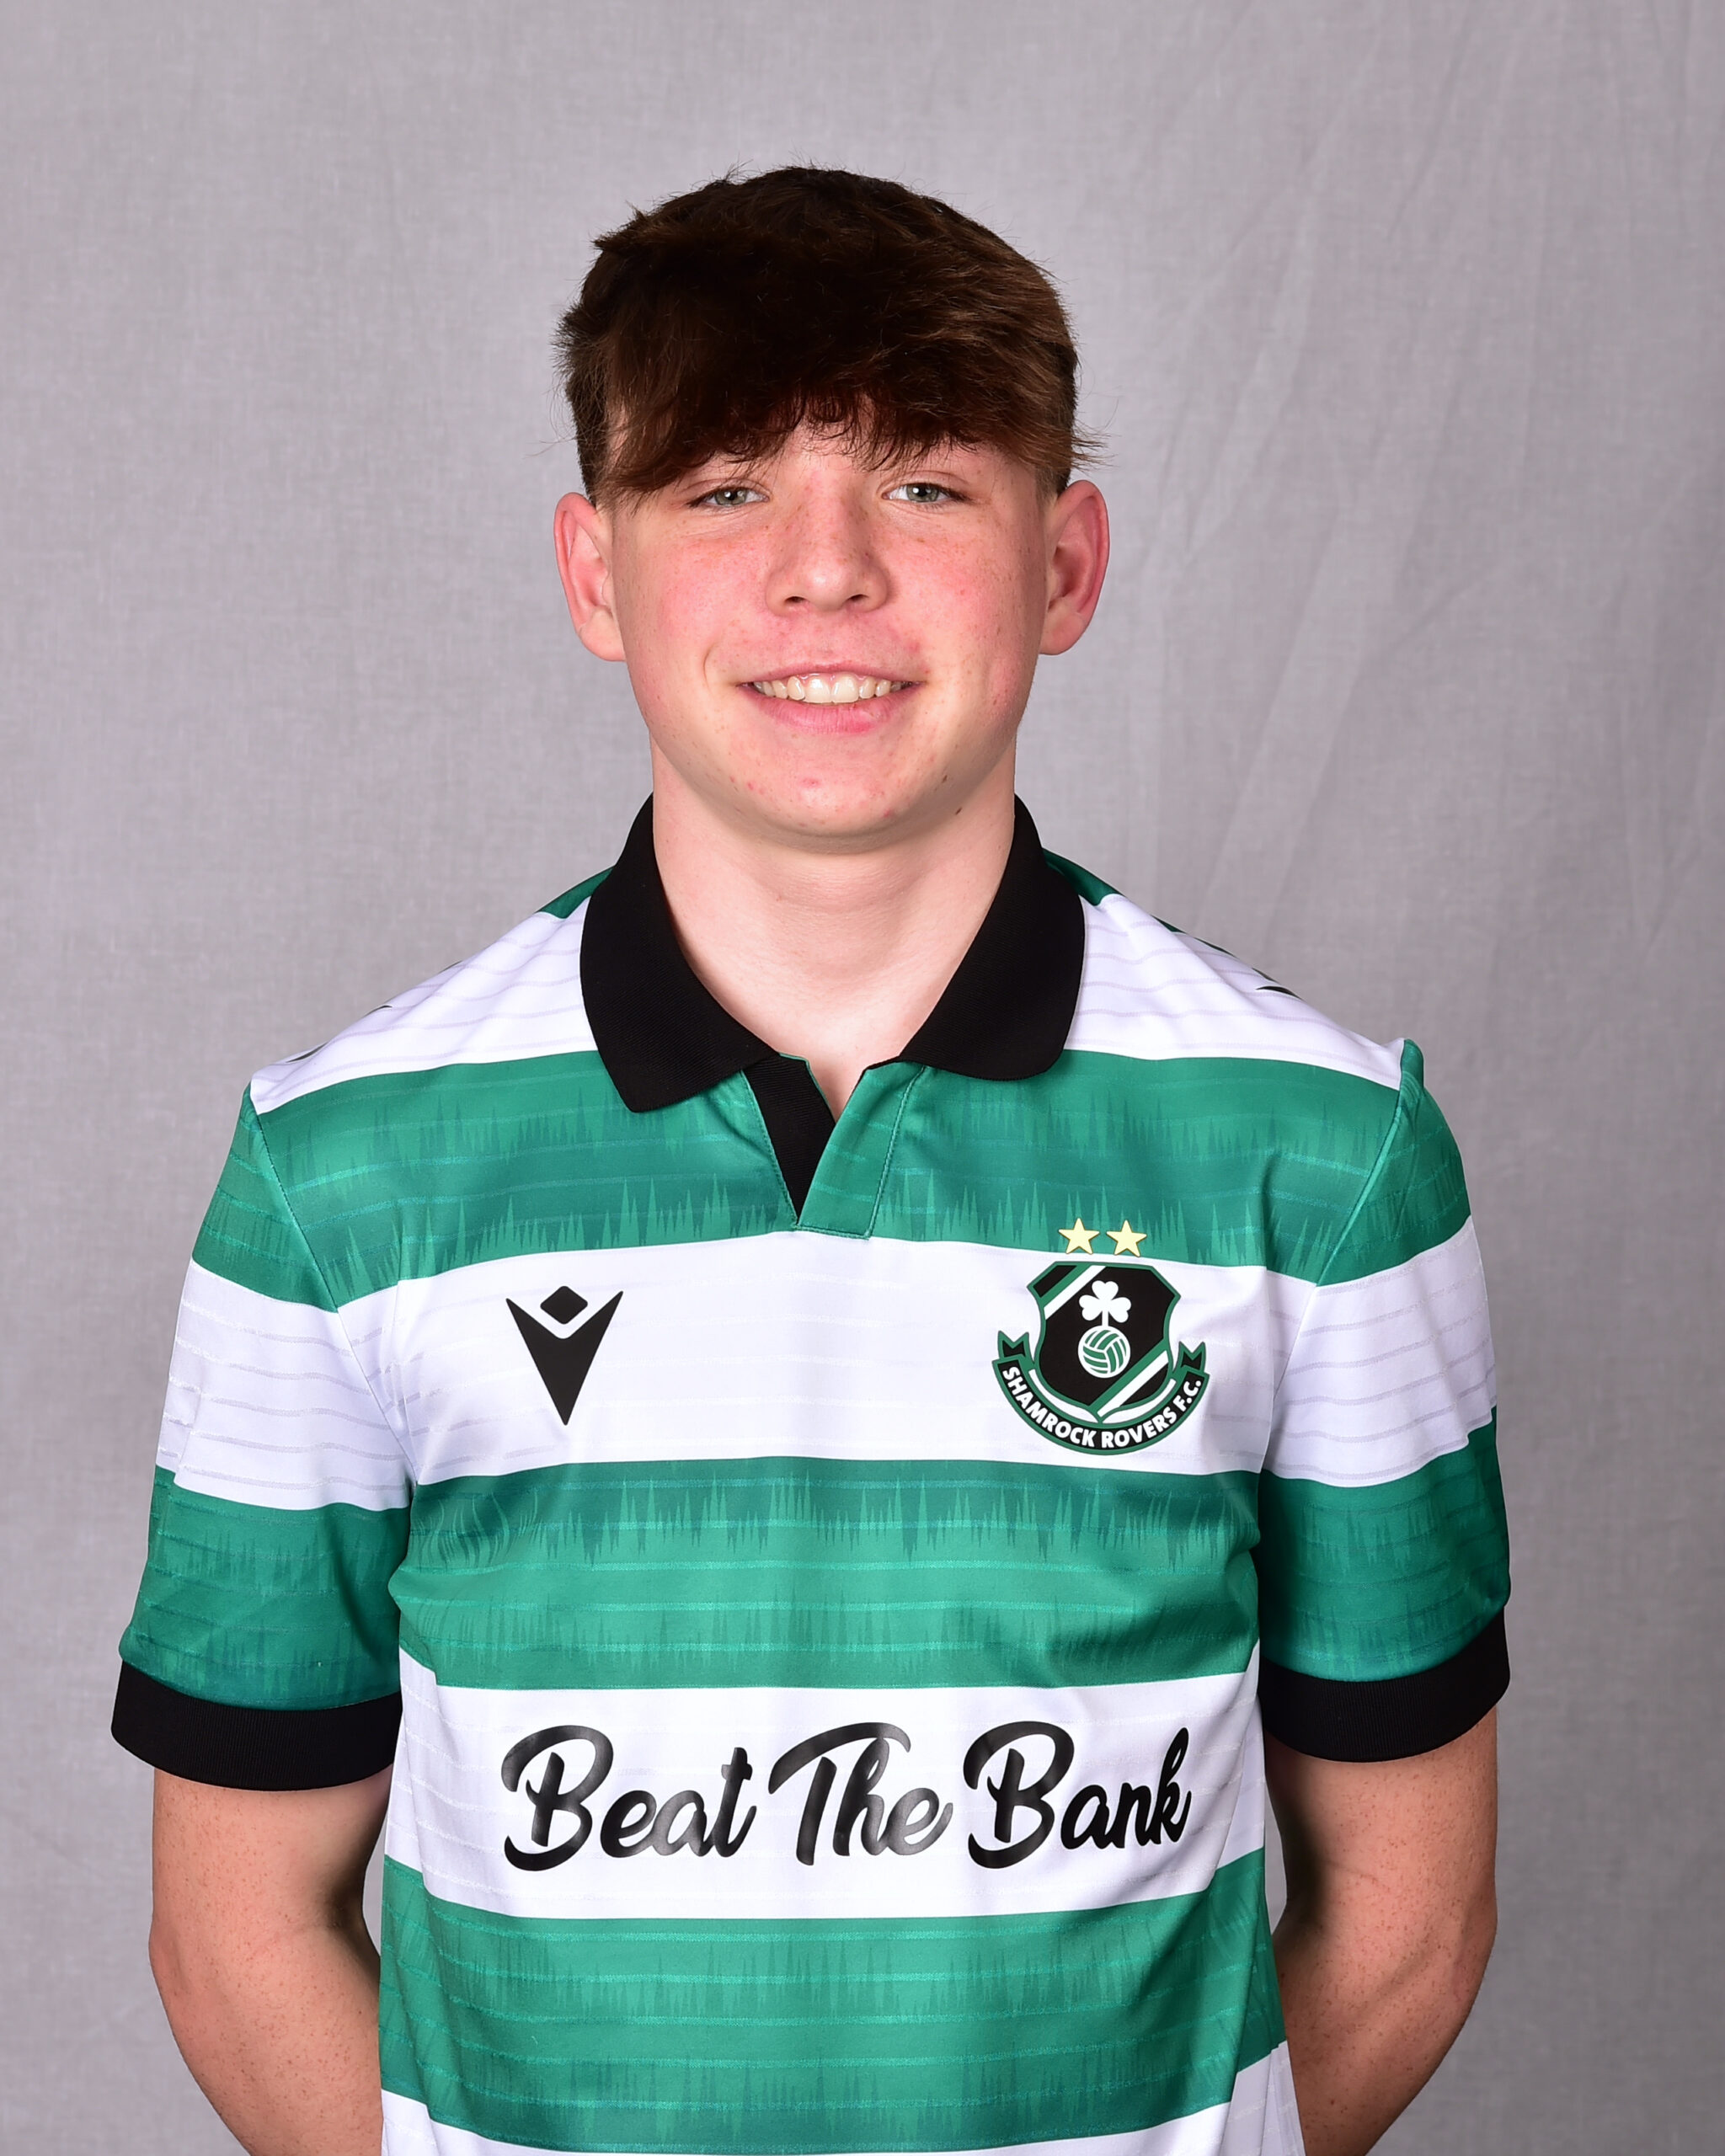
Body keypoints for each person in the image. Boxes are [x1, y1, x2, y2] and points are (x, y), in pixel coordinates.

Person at [113, 167, 1509, 2156]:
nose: (826, 571)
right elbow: (232, 1926)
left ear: (1066, 561)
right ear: (596, 571)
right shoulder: (336, 1174)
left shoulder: (1327, 1153)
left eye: (927, 485)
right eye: (724, 487)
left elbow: (1408, 1910)